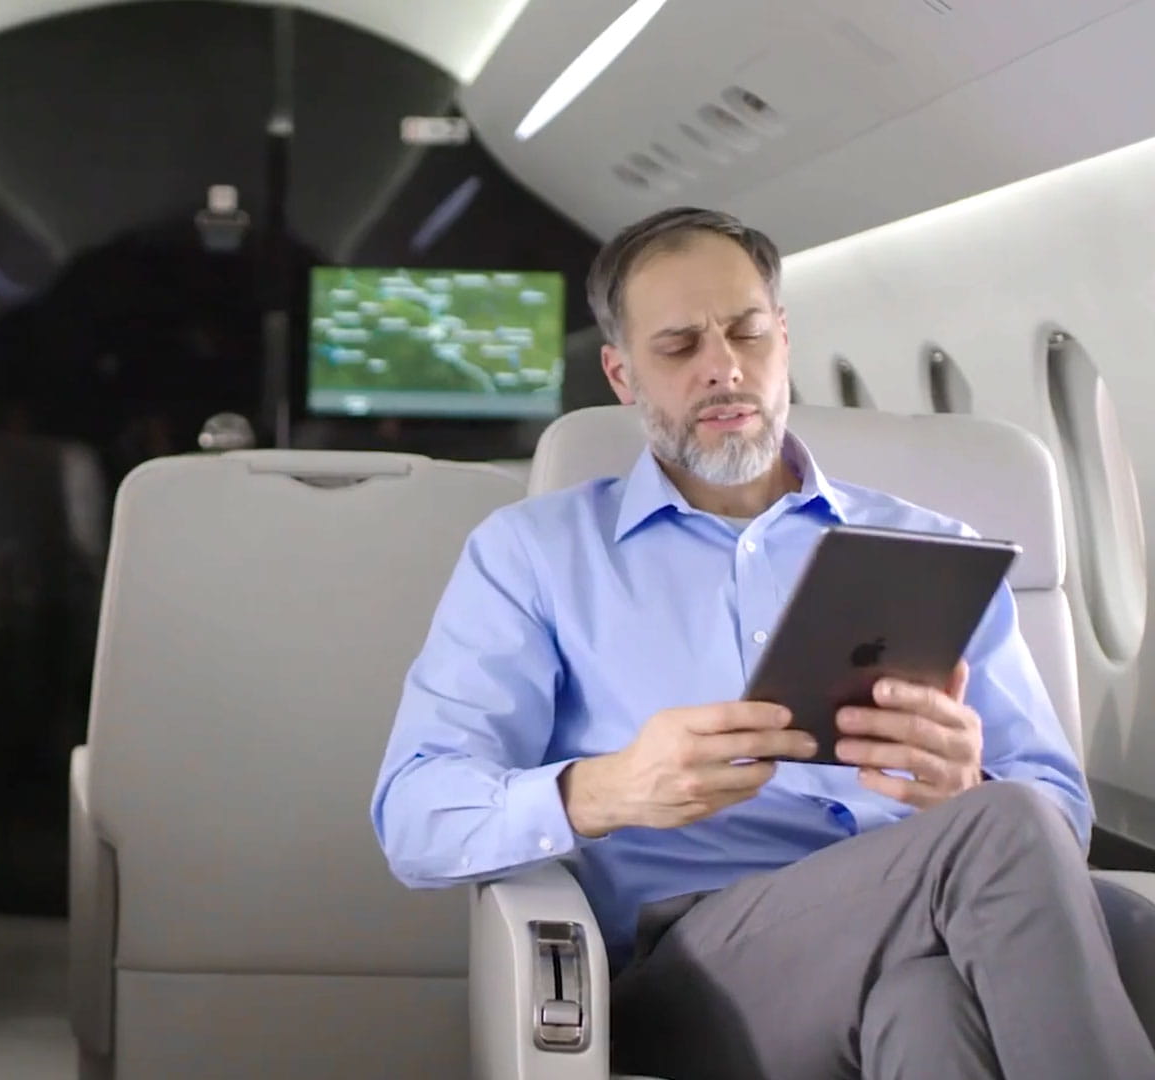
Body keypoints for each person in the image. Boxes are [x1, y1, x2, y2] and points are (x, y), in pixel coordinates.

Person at [371, 206, 1155, 1079]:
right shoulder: (534, 555)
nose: (724, 369)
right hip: (691, 975)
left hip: (923, 929)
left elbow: (1061, 813)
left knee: (928, 1008)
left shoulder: (932, 549)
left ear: (783, 336)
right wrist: (605, 790)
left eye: (747, 332)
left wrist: (960, 784)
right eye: (679, 348)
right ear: (622, 375)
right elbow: (414, 817)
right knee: (1010, 838)